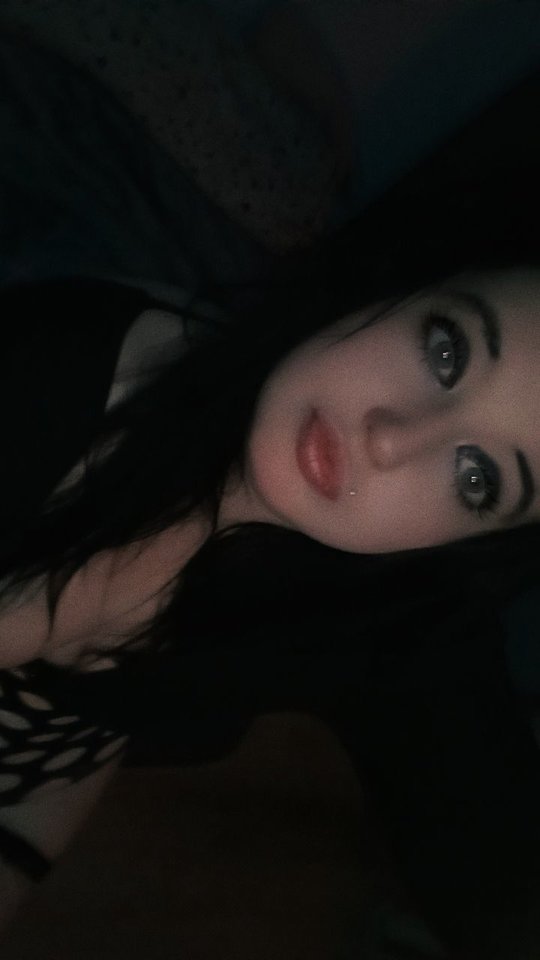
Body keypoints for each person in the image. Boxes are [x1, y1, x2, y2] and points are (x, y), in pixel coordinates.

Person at [0, 65, 540, 959]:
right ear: (398, 290)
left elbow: (86, 731)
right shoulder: (53, 372)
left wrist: (16, 864)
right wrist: (72, 598)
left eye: (479, 478)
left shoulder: (344, 603)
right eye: (446, 350)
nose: (392, 440)